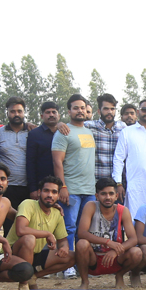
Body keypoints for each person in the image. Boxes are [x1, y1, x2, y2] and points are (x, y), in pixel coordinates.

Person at [74, 178, 143, 289]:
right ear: (97, 196)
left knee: (137, 252)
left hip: (116, 258)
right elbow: (82, 233)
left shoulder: (123, 210)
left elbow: (133, 239)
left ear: (116, 196)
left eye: (111, 194)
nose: (108, 197)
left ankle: (120, 275)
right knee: (81, 244)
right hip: (93, 258)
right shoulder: (91, 206)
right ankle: (84, 282)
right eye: (103, 194)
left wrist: (115, 251)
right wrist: (107, 242)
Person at [52, 94, 97, 258]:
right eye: (76, 108)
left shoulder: (89, 131)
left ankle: (81, 262)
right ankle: (67, 262)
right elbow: (57, 161)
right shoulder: (63, 132)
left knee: (85, 229)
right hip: (71, 190)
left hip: (89, 191)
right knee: (69, 227)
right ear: (69, 111)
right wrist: (62, 187)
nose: (80, 111)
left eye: (83, 108)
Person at [10, 176, 75, 284]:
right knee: (29, 239)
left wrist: (64, 247)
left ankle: (32, 277)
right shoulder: (28, 204)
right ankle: (24, 285)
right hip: (13, 254)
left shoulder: (57, 213)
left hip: (36, 254)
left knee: (72, 257)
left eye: (54, 192)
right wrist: (47, 234)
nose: (50, 195)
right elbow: (20, 230)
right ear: (39, 192)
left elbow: (63, 240)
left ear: (58, 196)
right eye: (46, 191)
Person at [0, 96, 31, 210]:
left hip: (28, 187)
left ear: (24, 112)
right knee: (6, 220)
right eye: (12, 111)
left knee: (26, 220)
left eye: (19, 111)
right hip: (5, 186)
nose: (16, 114)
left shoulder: (32, 132)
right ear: (7, 113)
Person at [85, 93, 125, 195]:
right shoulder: (89, 126)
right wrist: (60, 125)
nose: (109, 112)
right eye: (106, 109)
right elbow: (72, 128)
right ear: (99, 111)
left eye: (112, 109)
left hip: (117, 185)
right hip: (96, 184)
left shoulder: (123, 128)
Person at [26, 101, 62, 201]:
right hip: (42, 185)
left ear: (59, 115)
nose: (51, 115)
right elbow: (30, 162)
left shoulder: (64, 132)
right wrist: (33, 188)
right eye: (48, 112)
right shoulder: (34, 134)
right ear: (42, 116)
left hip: (63, 186)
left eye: (54, 112)